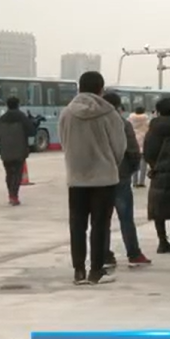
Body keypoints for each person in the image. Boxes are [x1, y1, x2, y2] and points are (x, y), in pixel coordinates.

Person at [57, 71, 128, 285]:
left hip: (76, 177)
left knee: (77, 225)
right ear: (101, 89)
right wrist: (109, 162)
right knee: (100, 225)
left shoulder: (67, 113)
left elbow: (64, 142)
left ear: (79, 87)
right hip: (104, 178)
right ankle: (96, 271)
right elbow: (119, 146)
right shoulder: (110, 114)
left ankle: (78, 271)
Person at [97, 92, 150, 270]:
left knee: (102, 218)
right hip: (120, 174)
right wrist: (131, 169)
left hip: (99, 176)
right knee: (126, 217)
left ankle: (104, 254)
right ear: (119, 106)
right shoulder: (122, 123)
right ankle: (133, 253)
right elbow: (133, 150)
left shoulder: (94, 123)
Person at [143, 97, 170, 254]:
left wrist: (154, 165)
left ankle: (162, 242)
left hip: (158, 172)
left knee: (158, 208)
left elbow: (147, 152)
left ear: (158, 111)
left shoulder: (152, 129)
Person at [0, 96, 35, 206]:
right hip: (20, 150)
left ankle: (11, 195)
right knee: (17, 174)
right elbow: (32, 132)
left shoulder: (1, 119)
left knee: (9, 174)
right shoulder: (22, 117)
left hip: (5, 151)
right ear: (18, 105)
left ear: (7, 105)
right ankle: (14, 196)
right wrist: (33, 121)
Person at [129, 106, 150, 187]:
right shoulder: (146, 120)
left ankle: (134, 182)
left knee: (135, 163)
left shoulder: (130, 120)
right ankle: (141, 181)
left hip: (134, 141)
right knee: (143, 163)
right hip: (144, 142)